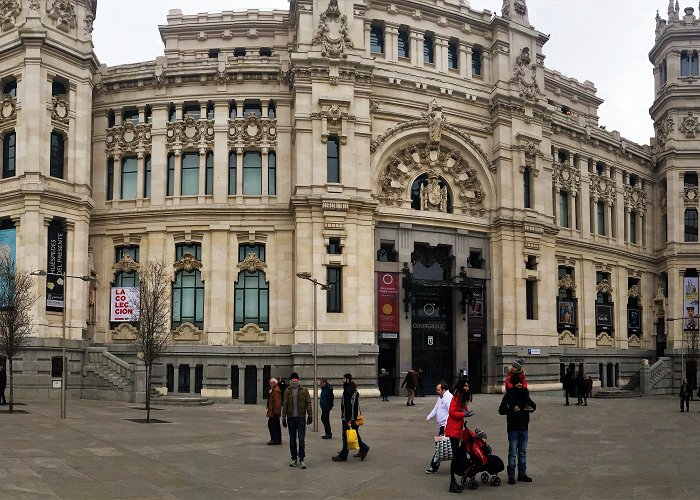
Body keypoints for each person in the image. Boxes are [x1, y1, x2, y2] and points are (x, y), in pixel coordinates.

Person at [499, 373, 536, 485]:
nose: (519, 384)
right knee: (512, 452)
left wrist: (531, 407)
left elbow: (533, 405)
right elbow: (501, 410)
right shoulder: (509, 395)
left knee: (523, 452)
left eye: (520, 382)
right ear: (513, 384)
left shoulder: (525, 394)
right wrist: (510, 409)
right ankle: (511, 475)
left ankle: (522, 474)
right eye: (517, 383)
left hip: (524, 427)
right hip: (513, 428)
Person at [332, 373, 370, 462]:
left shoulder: (349, 391)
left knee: (346, 436)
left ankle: (343, 455)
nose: (343, 380)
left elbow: (350, 406)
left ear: (348, 379)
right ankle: (363, 448)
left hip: (348, 418)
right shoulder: (350, 389)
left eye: (344, 378)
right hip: (350, 417)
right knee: (354, 434)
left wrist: (349, 419)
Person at [445, 376, 474, 493]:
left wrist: (465, 411)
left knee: (457, 456)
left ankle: (455, 480)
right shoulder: (457, 395)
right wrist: (464, 414)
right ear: (461, 386)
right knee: (455, 457)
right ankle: (452, 483)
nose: (467, 388)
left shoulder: (462, 396)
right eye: (465, 386)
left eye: (468, 386)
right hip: (453, 430)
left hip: (457, 430)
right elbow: (451, 412)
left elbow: (461, 409)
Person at [281, 372, 312, 469]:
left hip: (301, 418)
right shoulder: (287, 391)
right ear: (291, 380)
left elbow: (308, 403)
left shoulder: (304, 390)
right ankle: (294, 458)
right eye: (293, 378)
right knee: (292, 440)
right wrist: (283, 418)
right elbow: (285, 404)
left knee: (301, 440)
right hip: (291, 418)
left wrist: (310, 415)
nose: (294, 380)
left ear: (298, 379)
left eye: (296, 378)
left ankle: (301, 459)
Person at [425, 381, 453, 474]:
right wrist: (429, 416)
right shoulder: (440, 398)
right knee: (446, 446)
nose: (437, 391)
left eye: (438, 390)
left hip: (446, 426)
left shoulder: (448, 398)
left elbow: (451, 412)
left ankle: (434, 467)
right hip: (442, 426)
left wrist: (446, 426)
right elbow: (436, 408)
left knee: (440, 446)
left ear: (444, 390)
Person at [266, 378, 282, 445]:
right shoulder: (275, 389)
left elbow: (277, 402)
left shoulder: (275, 390)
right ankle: (278, 439)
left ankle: (274, 439)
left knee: (271, 425)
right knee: (276, 425)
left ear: (274, 383)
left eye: (271, 383)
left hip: (274, 411)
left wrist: (276, 412)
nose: (270, 384)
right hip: (274, 411)